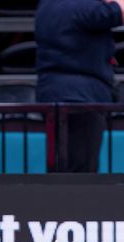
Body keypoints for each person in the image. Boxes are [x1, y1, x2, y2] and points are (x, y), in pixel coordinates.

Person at [35, 0, 124, 172]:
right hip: (80, 99)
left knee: (62, 168)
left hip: (54, 93)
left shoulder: (47, 5)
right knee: (80, 172)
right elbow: (119, 11)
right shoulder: (81, 6)